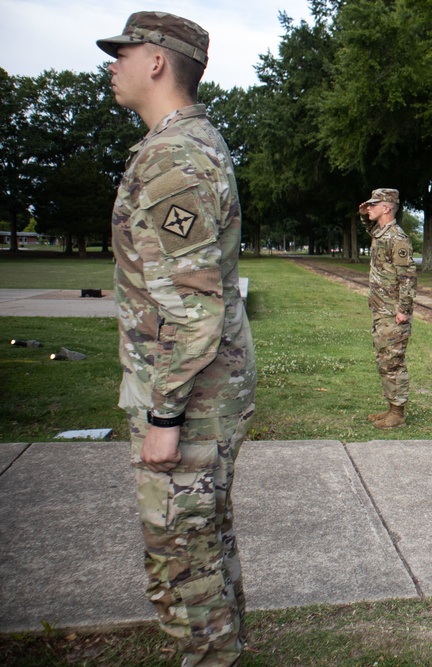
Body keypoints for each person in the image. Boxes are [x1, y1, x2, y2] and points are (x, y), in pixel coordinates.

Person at [98, 11, 257, 666]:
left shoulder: (173, 158)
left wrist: (164, 413)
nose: (113, 64)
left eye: (123, 52)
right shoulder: (189, 144)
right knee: (204, 547)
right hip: (202, 395)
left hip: (188, 402)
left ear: (157, 62)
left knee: (182, 564)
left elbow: (193, 308)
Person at [359, 188, 416, 428]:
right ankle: (391, 407)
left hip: (393, 313)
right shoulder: (381, 233)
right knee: (384, 360)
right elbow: (368, 225)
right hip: (382, 311)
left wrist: (403, 309)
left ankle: (398, 414)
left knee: (393, 362)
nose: (369, 208)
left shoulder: (397, 238)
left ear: (387, 208)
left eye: (374, 204)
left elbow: (408, 277)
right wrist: (364, 213)